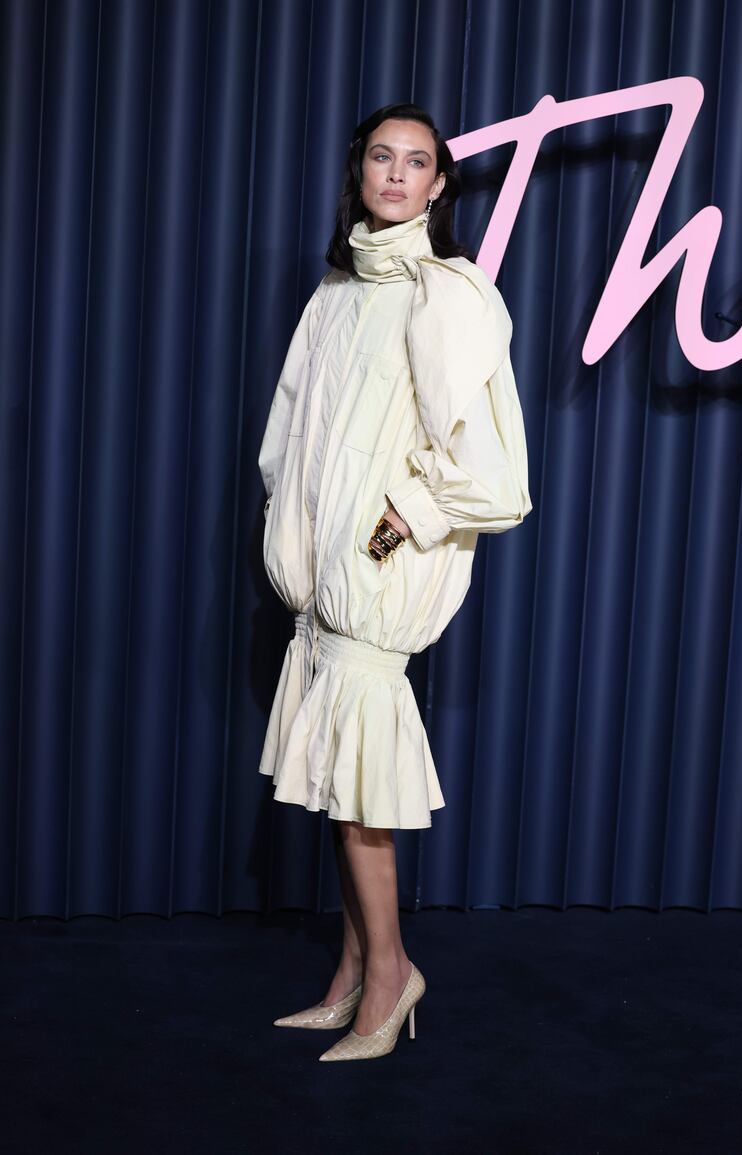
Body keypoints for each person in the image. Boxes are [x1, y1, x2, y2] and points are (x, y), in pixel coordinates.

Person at [257, 102, 532, 1061]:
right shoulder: (339, 288)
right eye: (383, 156)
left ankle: (390, 976)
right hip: (320, 592)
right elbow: (288, 437)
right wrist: (295, 538)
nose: (398, 175)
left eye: (418, 162)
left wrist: (394, 526)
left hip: (374, 592)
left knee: (365, 798)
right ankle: (349, 975)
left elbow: (495, 477)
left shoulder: (446, 292)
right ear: (361, 170)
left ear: (440, 184)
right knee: (342, 791)